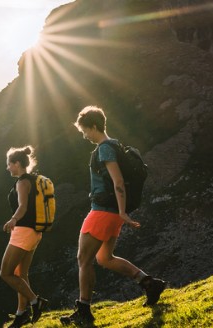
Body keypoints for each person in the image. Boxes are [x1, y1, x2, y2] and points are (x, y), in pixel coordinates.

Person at [62, 106, 167, 325]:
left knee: (83, 259)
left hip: (103, 211)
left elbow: (118, 182)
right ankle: (149, 283)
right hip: (112, 212)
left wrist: (121, 212)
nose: (84, 135)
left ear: (93, 126)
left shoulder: (105, 149)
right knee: (104, 258)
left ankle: (83, 310)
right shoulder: (116, 145)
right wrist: (120, 213)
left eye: (85, 130)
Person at [1, 146, 49, 327]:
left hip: (23, 232)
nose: (8, 168)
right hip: (34, 233)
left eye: (9, 164)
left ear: (17, 164)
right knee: (21, 274)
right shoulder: (34, 179)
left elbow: (22, 206)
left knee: (5, 273)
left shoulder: (22, 182)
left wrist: (13, 220)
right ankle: (21, 314)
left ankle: (36, 302)